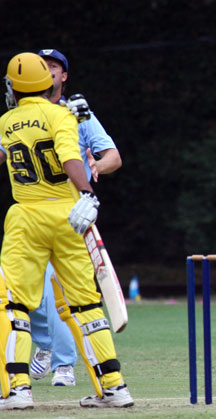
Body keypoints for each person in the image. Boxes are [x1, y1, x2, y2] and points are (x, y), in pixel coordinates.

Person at [0, 52, 133, 410]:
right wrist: (87, 195)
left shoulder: (7, 120)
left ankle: (18, 390)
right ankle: (114, 387)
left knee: (12, 305)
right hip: (70, 215)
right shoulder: (62, 115)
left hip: (27, 218)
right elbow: (69, 157)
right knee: (87, 303)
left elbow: (60, 157)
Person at [24, 49, 122, 387]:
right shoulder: (22, 114)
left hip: (72, 212)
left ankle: (63, 362)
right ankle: (48, 346)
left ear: (63, 76)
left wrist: (95, 166)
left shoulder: (78, 113)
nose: (47, 72)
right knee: (27, 292)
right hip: (34, 210)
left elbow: (112, 156)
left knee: (59, 293)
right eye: (42, 67)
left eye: (53, 67)